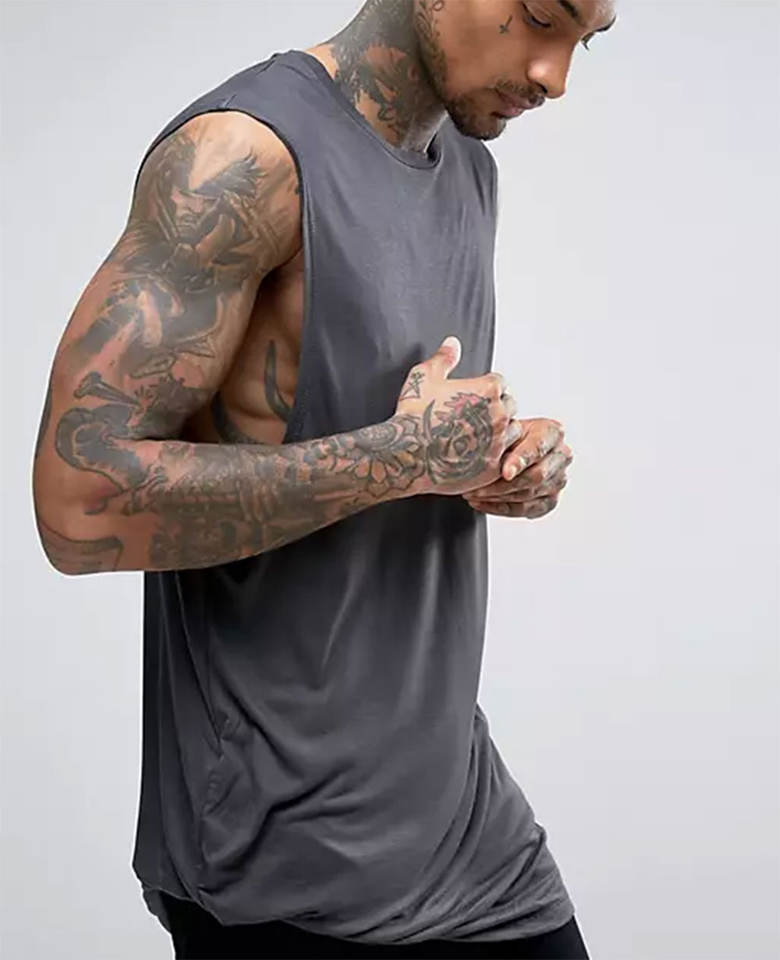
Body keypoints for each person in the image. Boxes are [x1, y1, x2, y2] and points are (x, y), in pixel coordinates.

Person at [32, 1, 617, 956]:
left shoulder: (471, 168)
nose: (556, 76)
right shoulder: (241, 159)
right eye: (539, 16)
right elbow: (76, 502)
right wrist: (400, 459)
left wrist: (498, 462)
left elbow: (383, 424)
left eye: (585, 40)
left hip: (459, 817)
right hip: (284, 856)